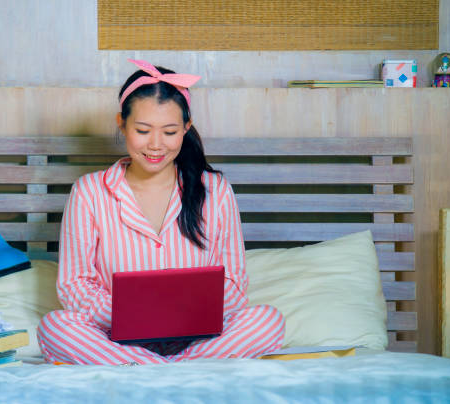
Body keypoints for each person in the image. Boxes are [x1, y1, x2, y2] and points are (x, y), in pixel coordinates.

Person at [37, 59, 285, 365]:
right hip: (116, 336)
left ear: (186, 129)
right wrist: (134, 314)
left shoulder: (215, 190)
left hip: (199, 338)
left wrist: (184, 315)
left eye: (169, 132)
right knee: (55, 327)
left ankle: (152, 370)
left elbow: (233, 282)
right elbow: (74, 284)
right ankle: (172, 370)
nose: (156, 145)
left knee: (268, 321)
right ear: (122, 124)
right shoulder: (89, 192)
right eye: (143, 130)